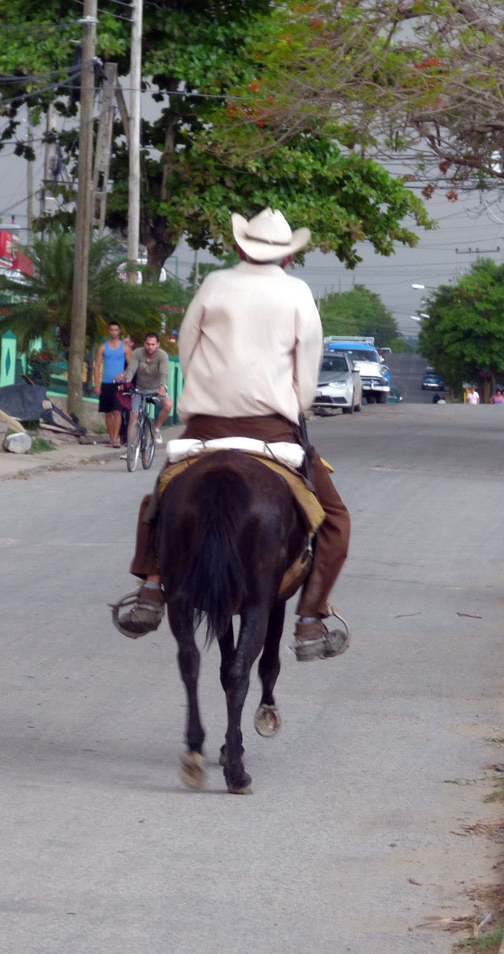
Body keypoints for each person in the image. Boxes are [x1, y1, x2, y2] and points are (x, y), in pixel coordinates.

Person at [113, 208, 352, 661]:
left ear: (241, 247)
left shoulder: (215, 284)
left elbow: (186, 344)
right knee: (335, 519)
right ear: (286, 257)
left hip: (203, 428)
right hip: (272, 430)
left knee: (160, 498)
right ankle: (309, 620)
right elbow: (306, 374)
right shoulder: (298, 294)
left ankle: (151, 584)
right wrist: (295, 404)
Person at [116, 331, 173, 431]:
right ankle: (131, 445)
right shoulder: (138, 352)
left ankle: (157, 428)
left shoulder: (162, 355)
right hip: (140, 390)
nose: (150, 347)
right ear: (144, 343)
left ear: (158, 345)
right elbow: (131, 369)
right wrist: (127, 382)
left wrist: (162, 386)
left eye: (153, 344)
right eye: (148, 344)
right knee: (134, 416)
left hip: (156, 391)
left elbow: (164, 372)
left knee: (168, 405)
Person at [91, 322, 131, 448]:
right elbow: (96, 366)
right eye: (112, 329)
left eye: (116, 330)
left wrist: (123, 375)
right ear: (109, 331)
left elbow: (131, 366)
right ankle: (112, 439)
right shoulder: (103, 347)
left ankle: (117, 440)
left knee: (118, 411)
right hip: (106, 383)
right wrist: (97, 384)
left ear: (119, 331)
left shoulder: (125, 348)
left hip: (119, 384)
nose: (114, 332)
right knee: (108, 412)